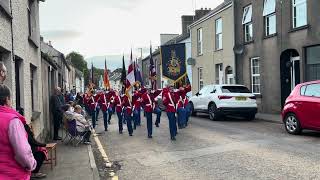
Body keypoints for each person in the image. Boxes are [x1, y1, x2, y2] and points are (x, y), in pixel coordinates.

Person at [0, 84, 37, 179]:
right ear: (7, 99)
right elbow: (22, 152)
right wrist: (32, 164)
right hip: (12, 174)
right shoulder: (12, 121)